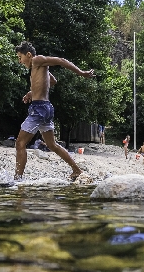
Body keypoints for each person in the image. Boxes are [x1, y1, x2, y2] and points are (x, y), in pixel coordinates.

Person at [14, 41, 95, 181]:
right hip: (46, 108)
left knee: (20, 143)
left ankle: (17, 180)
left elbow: (60, 61)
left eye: (20, 57)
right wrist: (31, 92)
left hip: (39, 108)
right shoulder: (39, 67)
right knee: (52, 145)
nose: (19, 61)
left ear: (28, 55)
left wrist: (81, 73)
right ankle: (77, 170)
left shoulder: (37, 60)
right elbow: (52, 81)